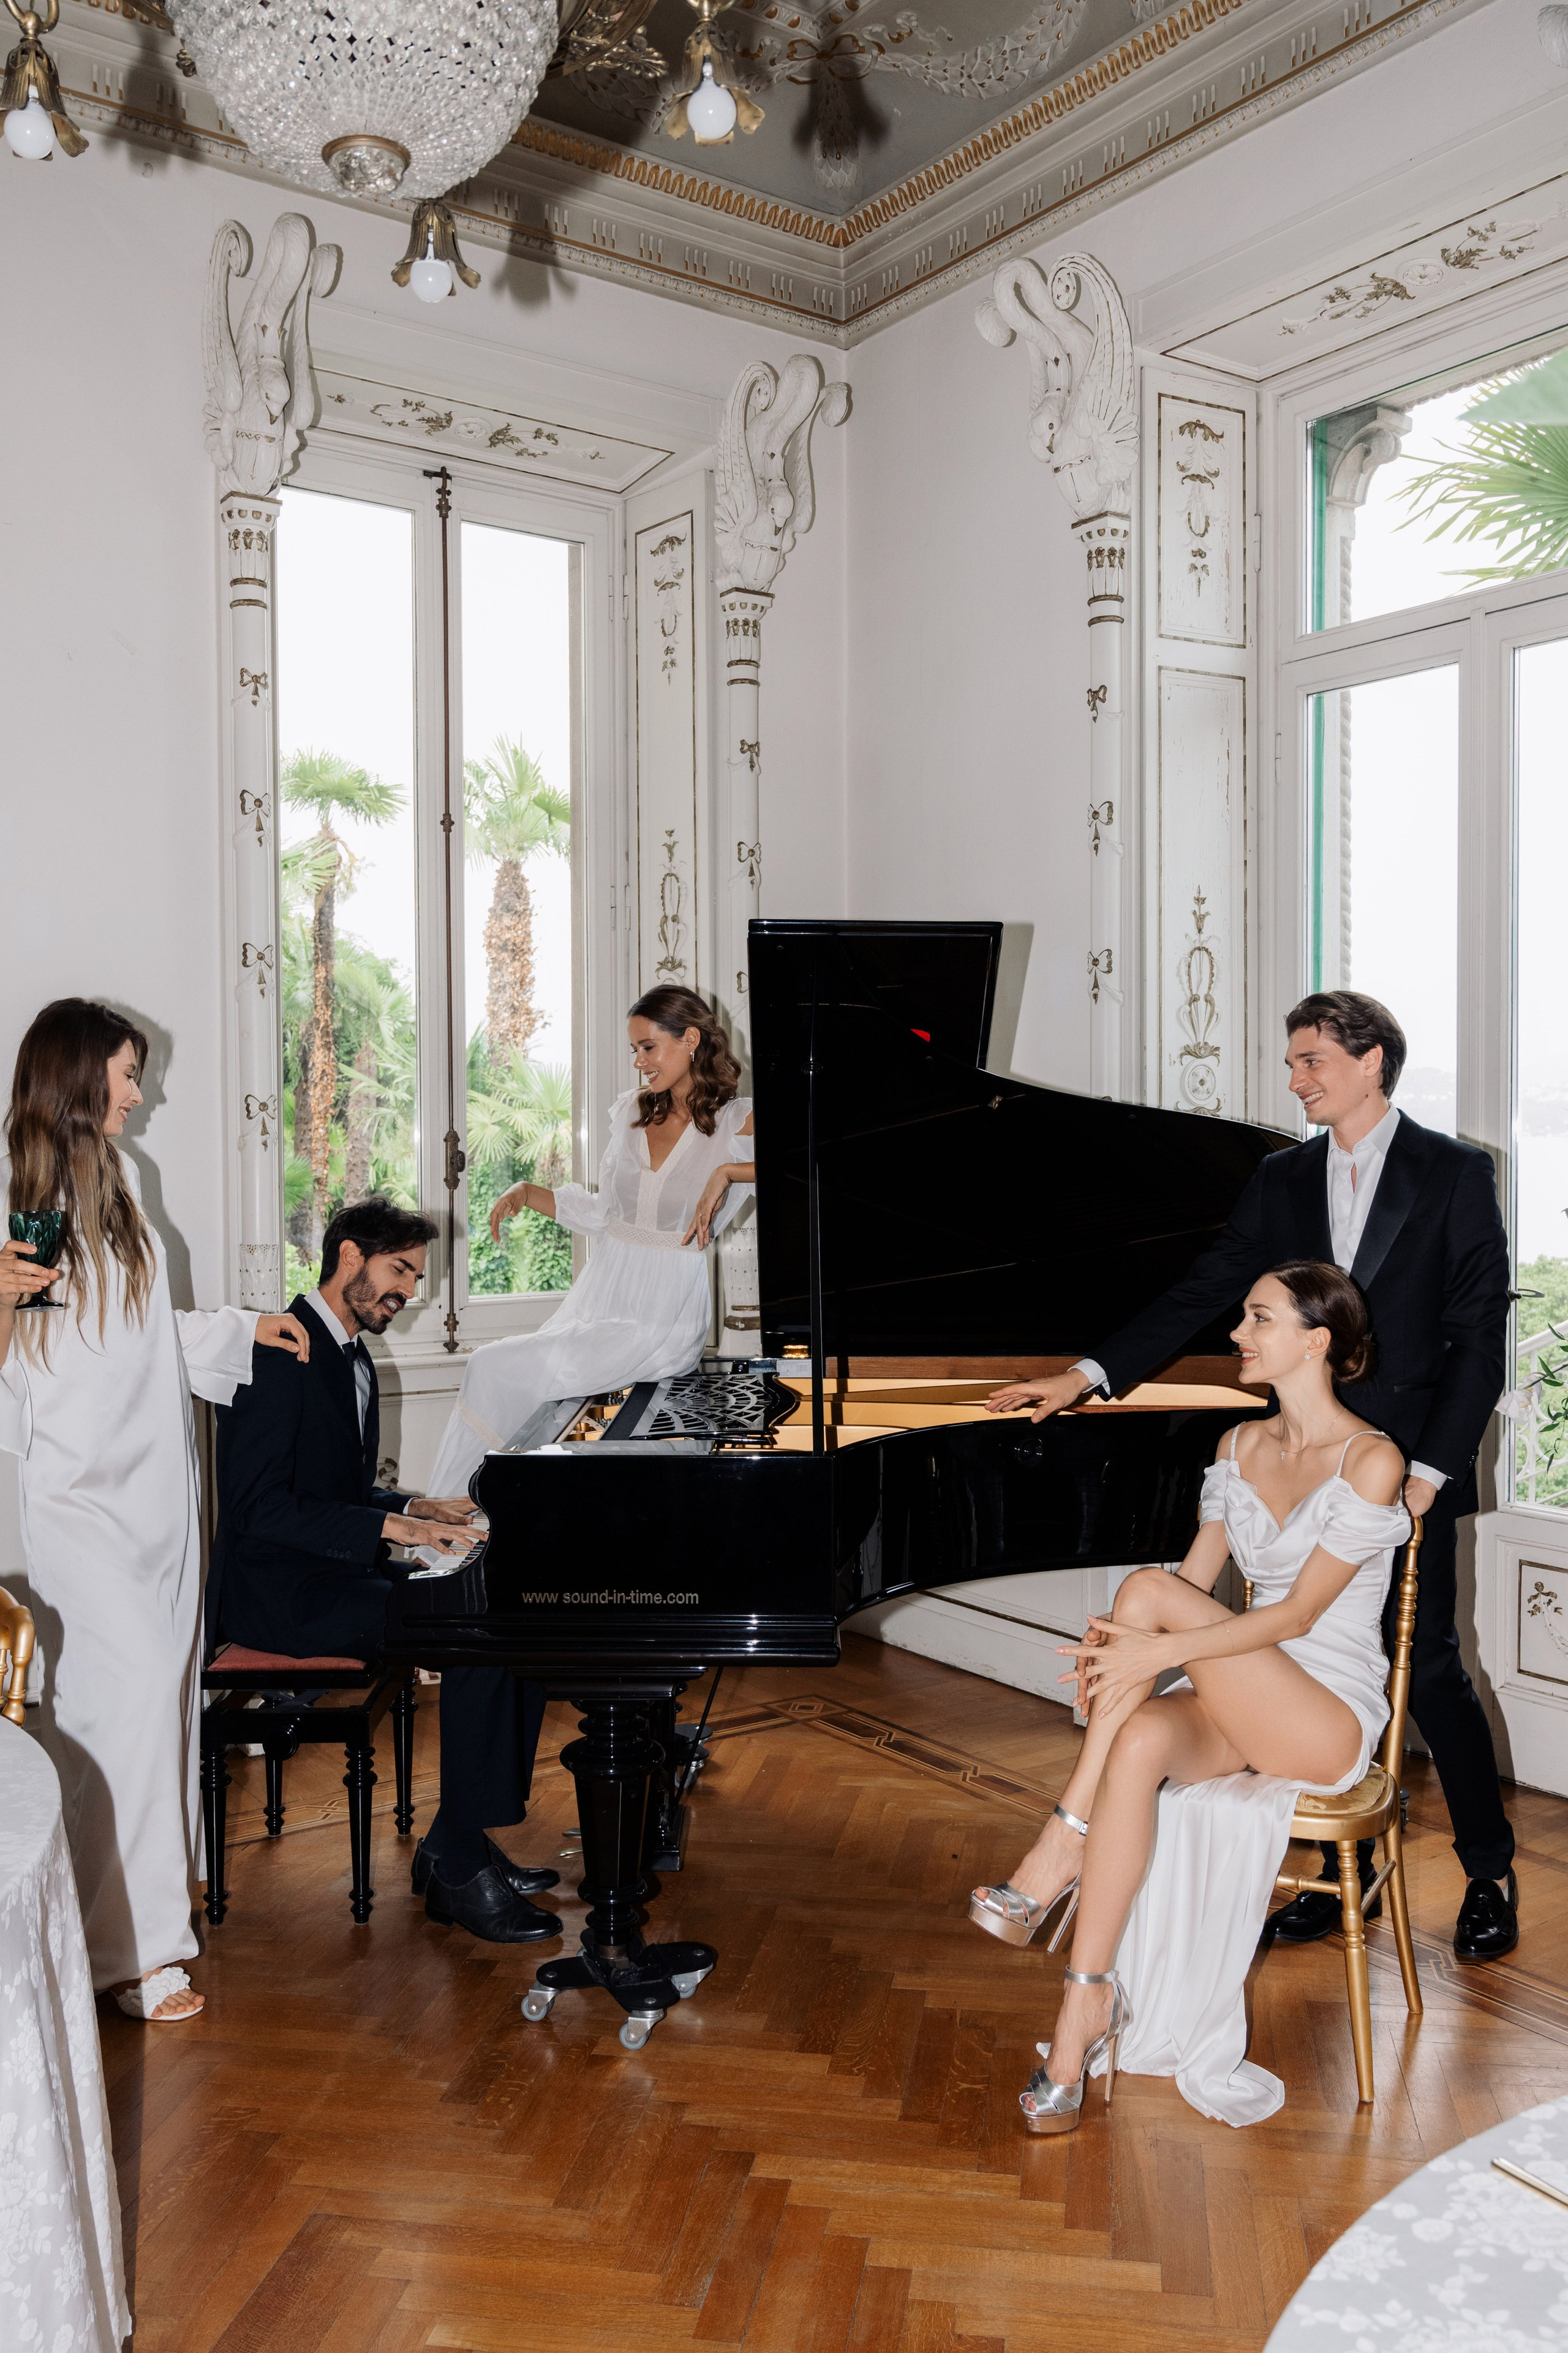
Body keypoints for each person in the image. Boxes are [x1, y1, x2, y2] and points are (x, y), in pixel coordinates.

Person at [986, 989, 1515, 1963]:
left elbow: (1480, 1339)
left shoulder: (1454, 1172)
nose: (1295, 1077)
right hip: (1298, 1453)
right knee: (1279, 1646)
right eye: (1293, 1059)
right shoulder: (1280, 1179)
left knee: (1429, 1666)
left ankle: (1488, 1868)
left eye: (1312, 1059)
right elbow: (1201, 1287)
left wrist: (1431, 1470)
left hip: (1403, 1468)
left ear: (1372, 1064)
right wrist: (1088, 1372)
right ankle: (1322, 1878)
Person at [972, 1263, 1410, 2129]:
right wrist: (1125, 1644)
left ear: (1317, 1341)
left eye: (1259, 1320)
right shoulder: (1238, 1447)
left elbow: (1296, 1614)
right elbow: (1196, 1581)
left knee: (1146, 1599)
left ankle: (1063, 1838)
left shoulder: (1374, 1459)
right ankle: (1082, 2015)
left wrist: (1152, 1643)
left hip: (1324, 1717)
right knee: (1136, 1731)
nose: (1238, 1336)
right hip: (1243, 1694)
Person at [0, 999, 311, 2022]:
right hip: (79, 1494)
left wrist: (245, 1327)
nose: (143, 1091)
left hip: (160, 1492)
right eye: (130, 1074)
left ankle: (107, 1935)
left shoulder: (129, 1182)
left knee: (151, 1709)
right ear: (81, 1076)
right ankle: (126, 1954)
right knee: (116, 1708)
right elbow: (22, 1348)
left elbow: (146, 1329)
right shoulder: (14, 1192)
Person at [212, 1196, 561, 1943]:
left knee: (512, 1610)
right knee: (473, 1633)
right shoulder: (278, 1350)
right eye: (398, 1270)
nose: (407, 1292)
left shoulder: (351, 1354)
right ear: (348, 1257)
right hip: (280, 1595)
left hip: (330, 1575)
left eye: (414, 1276)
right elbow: (257, 1509)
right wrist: (390, 1527)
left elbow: (327, 1493)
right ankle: (457, 1863)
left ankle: (456, 1841)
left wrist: (417, 1506)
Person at [420, 985, 755, 1507]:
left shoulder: (735, 1122)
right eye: (634, 1049)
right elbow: (606, 1216)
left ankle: (458, 1519)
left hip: (663, 1315)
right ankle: (461, 1523)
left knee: (491, 1366)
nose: (638, 1061)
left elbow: (816, 1153)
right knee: (512, 1384)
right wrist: (529, 1193)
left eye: (648, 1047)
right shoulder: (632, 1114)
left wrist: (730, 1170)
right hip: (605, 1296)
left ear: (691, 1039)